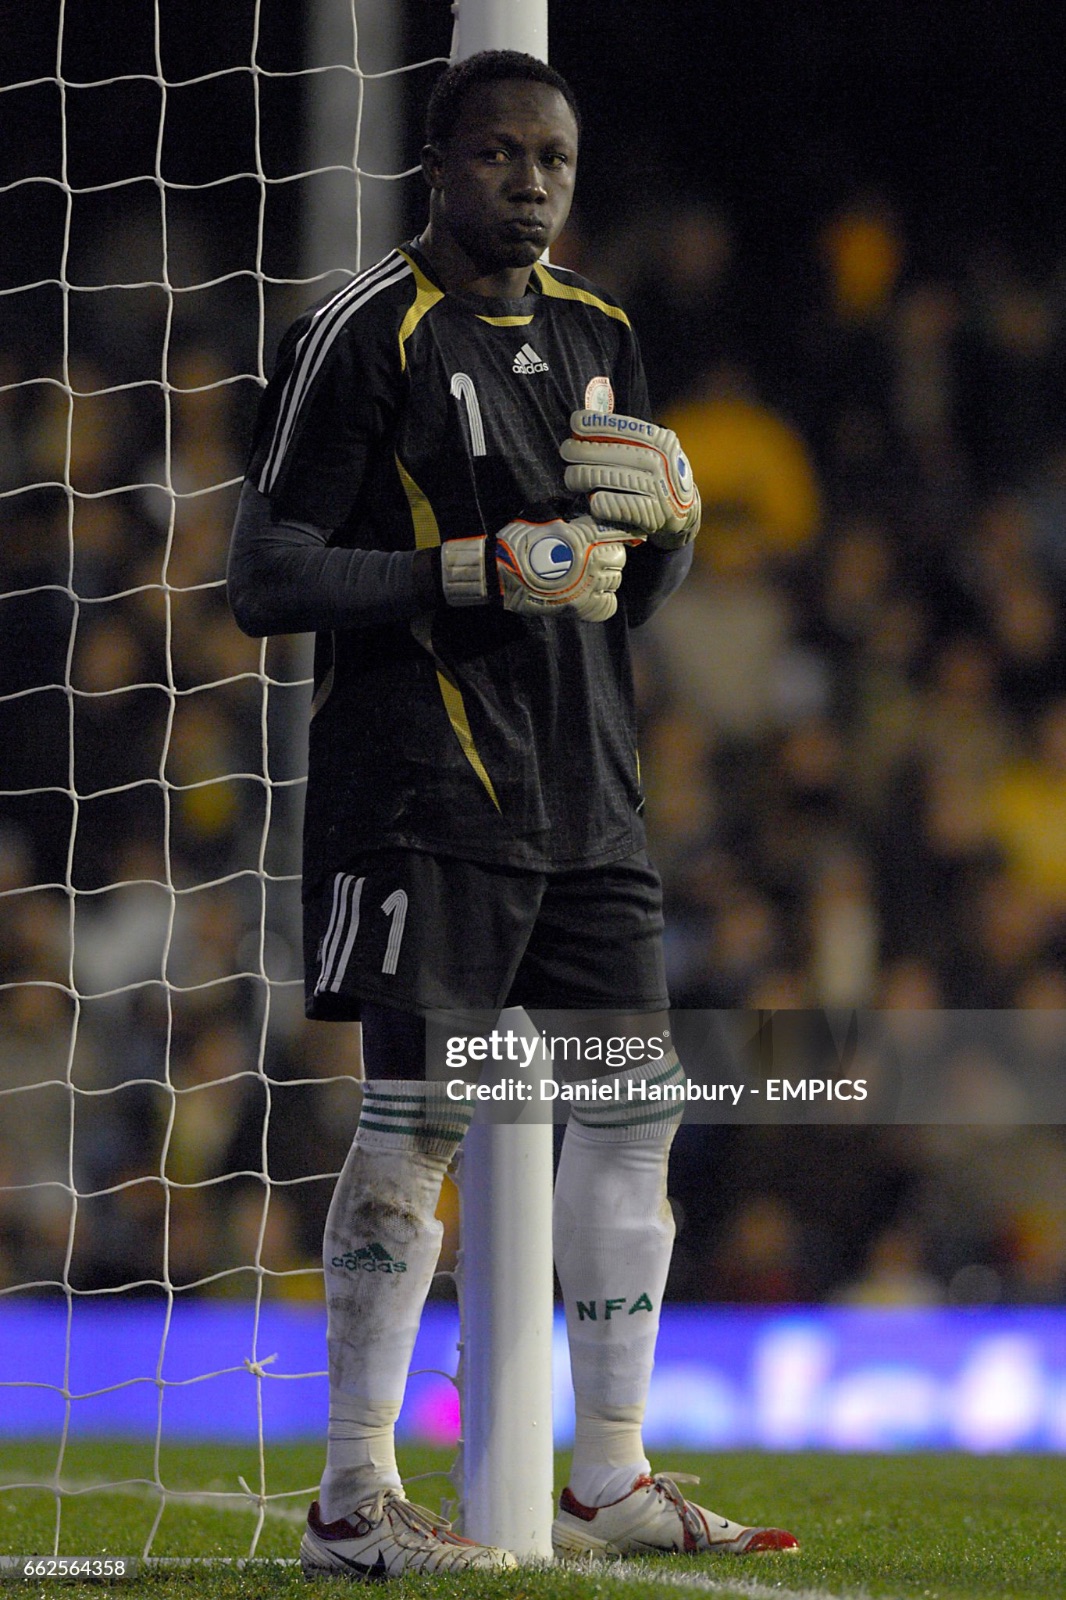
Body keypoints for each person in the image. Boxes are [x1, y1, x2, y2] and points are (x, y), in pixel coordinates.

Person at [228, 48, 798, 1578]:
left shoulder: (602, 332)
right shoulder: (360, 337)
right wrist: (465, 570)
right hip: (422, 800)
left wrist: (666, 533)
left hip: (586, 798)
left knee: (634, 1108)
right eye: (499, 155)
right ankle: (353, 1498)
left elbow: (616, 593)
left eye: (551, 159)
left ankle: (605, 1475)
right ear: (437, 162)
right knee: (417, 1122)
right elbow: (262, 578)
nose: (531, 183)